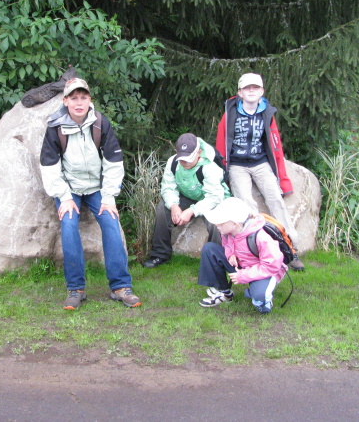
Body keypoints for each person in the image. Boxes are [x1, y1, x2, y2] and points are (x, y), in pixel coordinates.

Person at [39, 77, 141, 310]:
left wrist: (109, 197)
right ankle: (76, 288)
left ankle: (120, 287)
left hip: (97, 188)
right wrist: (64, 197)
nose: (79, 103)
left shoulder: (100, 123)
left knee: (111, 221)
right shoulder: (55, 127)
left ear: (89, 100)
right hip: (69, 189)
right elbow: (49, 166)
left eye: (83, 97)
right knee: (68, 223)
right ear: (65, 101)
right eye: (74, 98)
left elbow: (113, 162)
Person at [216, 73, 305, 271]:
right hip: (238, 165)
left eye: (255, 88)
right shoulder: (230, 113)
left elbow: (275, 145)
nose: (251, 91)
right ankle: (258, 249)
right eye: (247, 88)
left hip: (260, 163)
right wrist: (223, 171)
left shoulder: (266, 113)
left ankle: (290, 248)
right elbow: (221, 143)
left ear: (262, 91)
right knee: (247, 205)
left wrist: (282, 179)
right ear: (240, 92)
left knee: (276, 200)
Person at [143, 133, 231, 268]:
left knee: (215, 223)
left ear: (199, 152)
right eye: (182, 159)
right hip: (188, 196)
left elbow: (214, 197)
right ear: (176, 152)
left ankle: (217, 259)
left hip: (213, 200)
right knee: (162, 208)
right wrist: (173, 205)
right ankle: (160, 254)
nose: (186, 163)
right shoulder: (172, 162)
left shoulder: (210, 166)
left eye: (189, 159)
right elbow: (168, 187)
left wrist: (191, 211)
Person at [197, 197, 286, 313]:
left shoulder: (261, 237)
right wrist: (230, 254)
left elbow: (271, 266)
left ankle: (264, 301)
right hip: (241, 263)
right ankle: (224, 292)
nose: (216, 225)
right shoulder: (226, 231)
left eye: (220, 223)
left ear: (234, 224)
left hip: (262, 270)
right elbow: (227, 245)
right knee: (209, 249)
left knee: (259, 298)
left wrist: (243, 276)